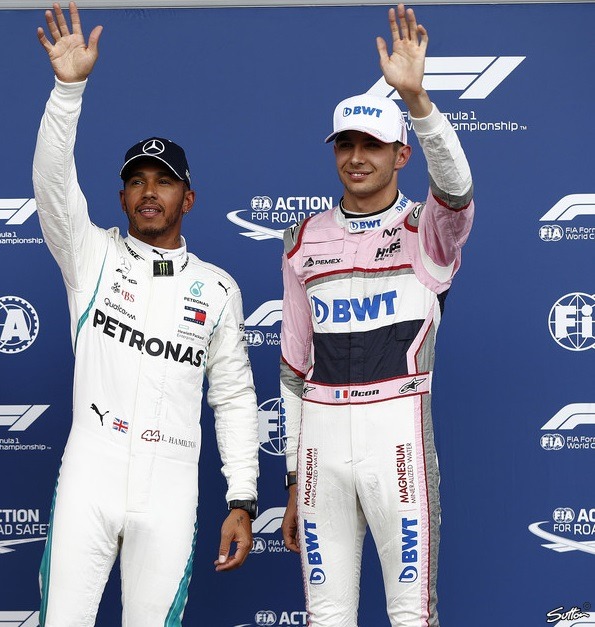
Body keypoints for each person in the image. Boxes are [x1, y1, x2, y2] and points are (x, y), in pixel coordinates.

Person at [32, 3, 260, 625]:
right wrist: (67, 92)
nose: (150, 191)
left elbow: (235, 398)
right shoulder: (91, 255)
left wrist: (242, 496)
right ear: (122, 196)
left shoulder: (217, 288)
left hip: (171, 482)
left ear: (189, 197)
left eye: (164, 181)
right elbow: (52, 185)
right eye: (137, 181)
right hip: (92, 469)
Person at [279, 4, 474, 626]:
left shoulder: (426, 230)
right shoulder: (302, 239)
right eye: (346, 144)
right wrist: (293, 476)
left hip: (398, 439)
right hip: (320, 444)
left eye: (372, 145)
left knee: (411, 615)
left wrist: (418, 102)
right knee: (326, 616)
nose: (356, 157)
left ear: (401, 155)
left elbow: (458, 191)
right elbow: (294, 368)